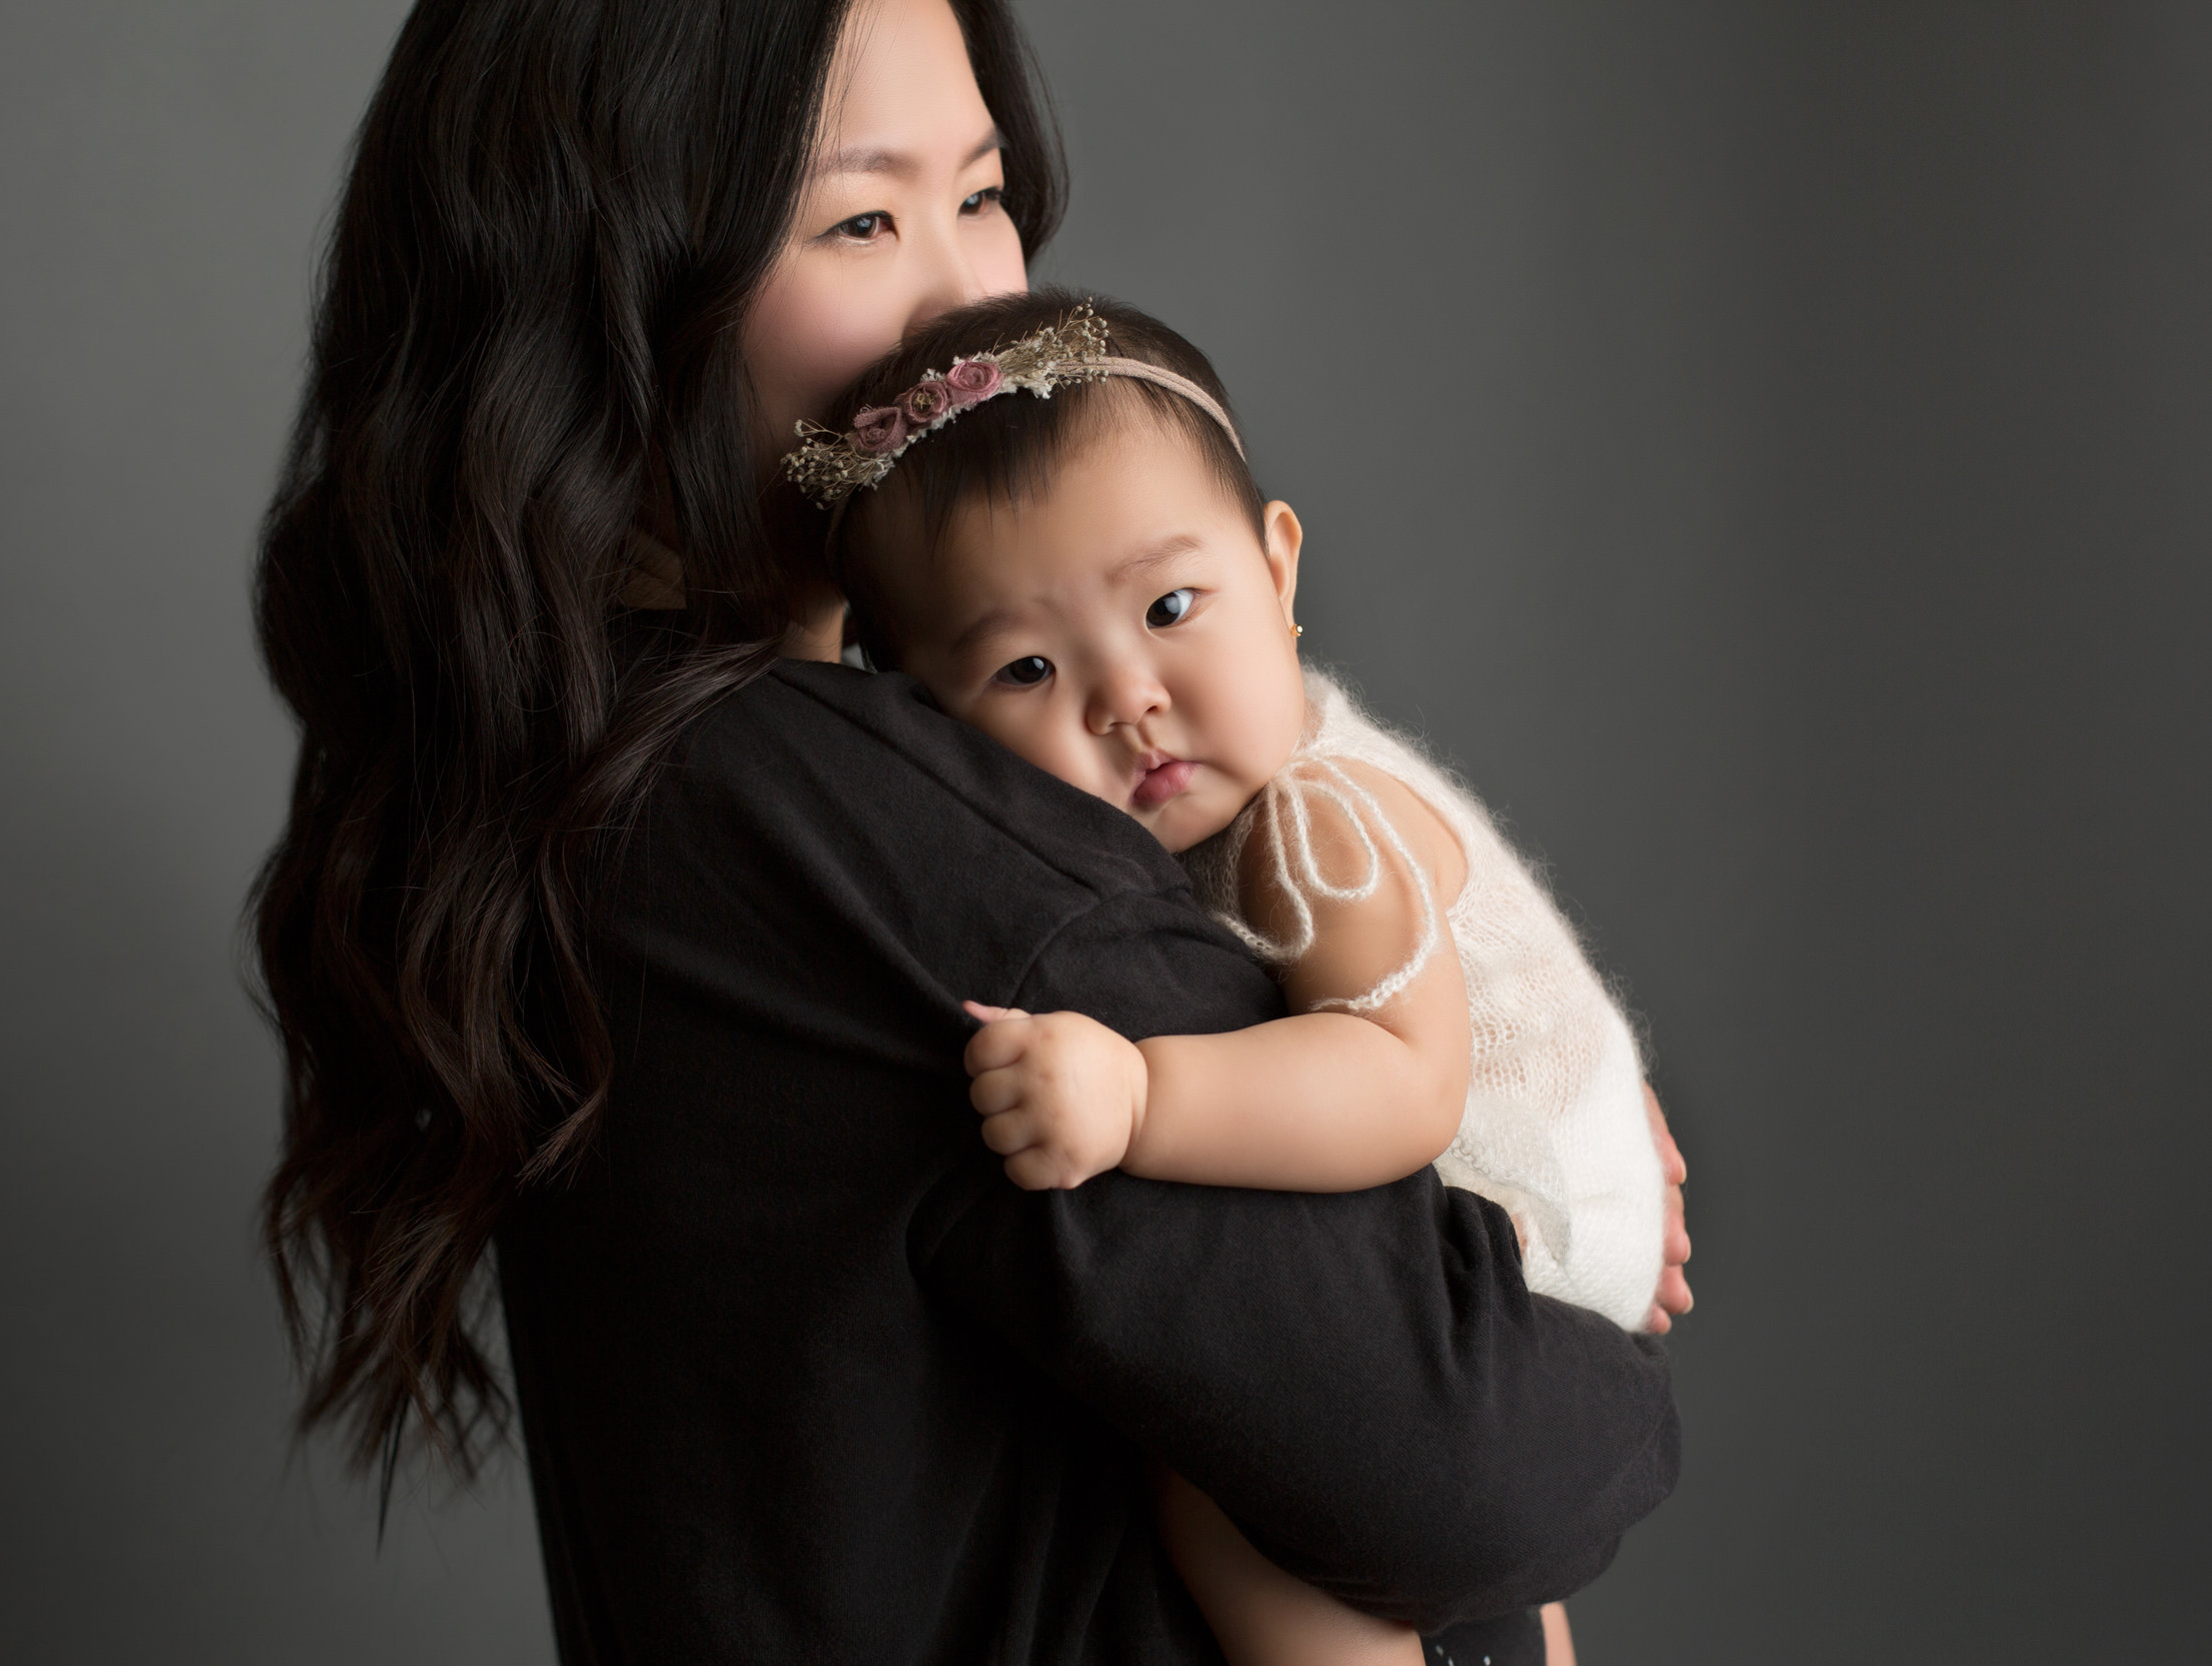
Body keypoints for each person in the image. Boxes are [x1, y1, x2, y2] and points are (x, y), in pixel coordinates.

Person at [249, 2, 1692, 1663]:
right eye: (862, 219)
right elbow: (1472, 1462)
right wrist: (1572, 1257)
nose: (970, 310)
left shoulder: (594, 779)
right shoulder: (882, 849)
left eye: (985, 196)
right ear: (611, 279)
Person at [794, 291, 1671, 1664]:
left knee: (1223, 1471)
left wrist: (1143, 1092)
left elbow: (1402, 1086)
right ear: (928, 722)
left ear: (1279, 569)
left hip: (1533, 1212)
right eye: (1028, 668)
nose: (1126, 696)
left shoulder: (1309, 834)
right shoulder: (1234, 797)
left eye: (1171, 605)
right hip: (1516, 1213)